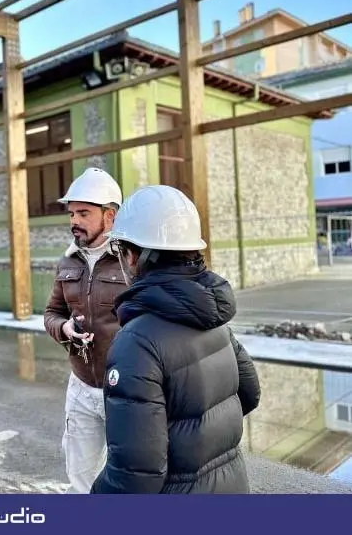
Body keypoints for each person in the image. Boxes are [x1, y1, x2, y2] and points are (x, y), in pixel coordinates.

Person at [90, 185, 261, 494]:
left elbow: (135, 477)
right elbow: (248, 394)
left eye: (119, 251)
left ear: (132, 256)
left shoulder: (136, 343)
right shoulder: (212, 317)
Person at [43, 167, 126, 494]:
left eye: (84, 213)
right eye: (72, 213)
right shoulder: (68, 262)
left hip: (125, 389)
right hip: (80, 386)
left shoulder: (132, 261)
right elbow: (52, 312)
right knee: (80, 475)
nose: (74, 220)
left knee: (131, 476)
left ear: (110, 215)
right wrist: (64, 328)